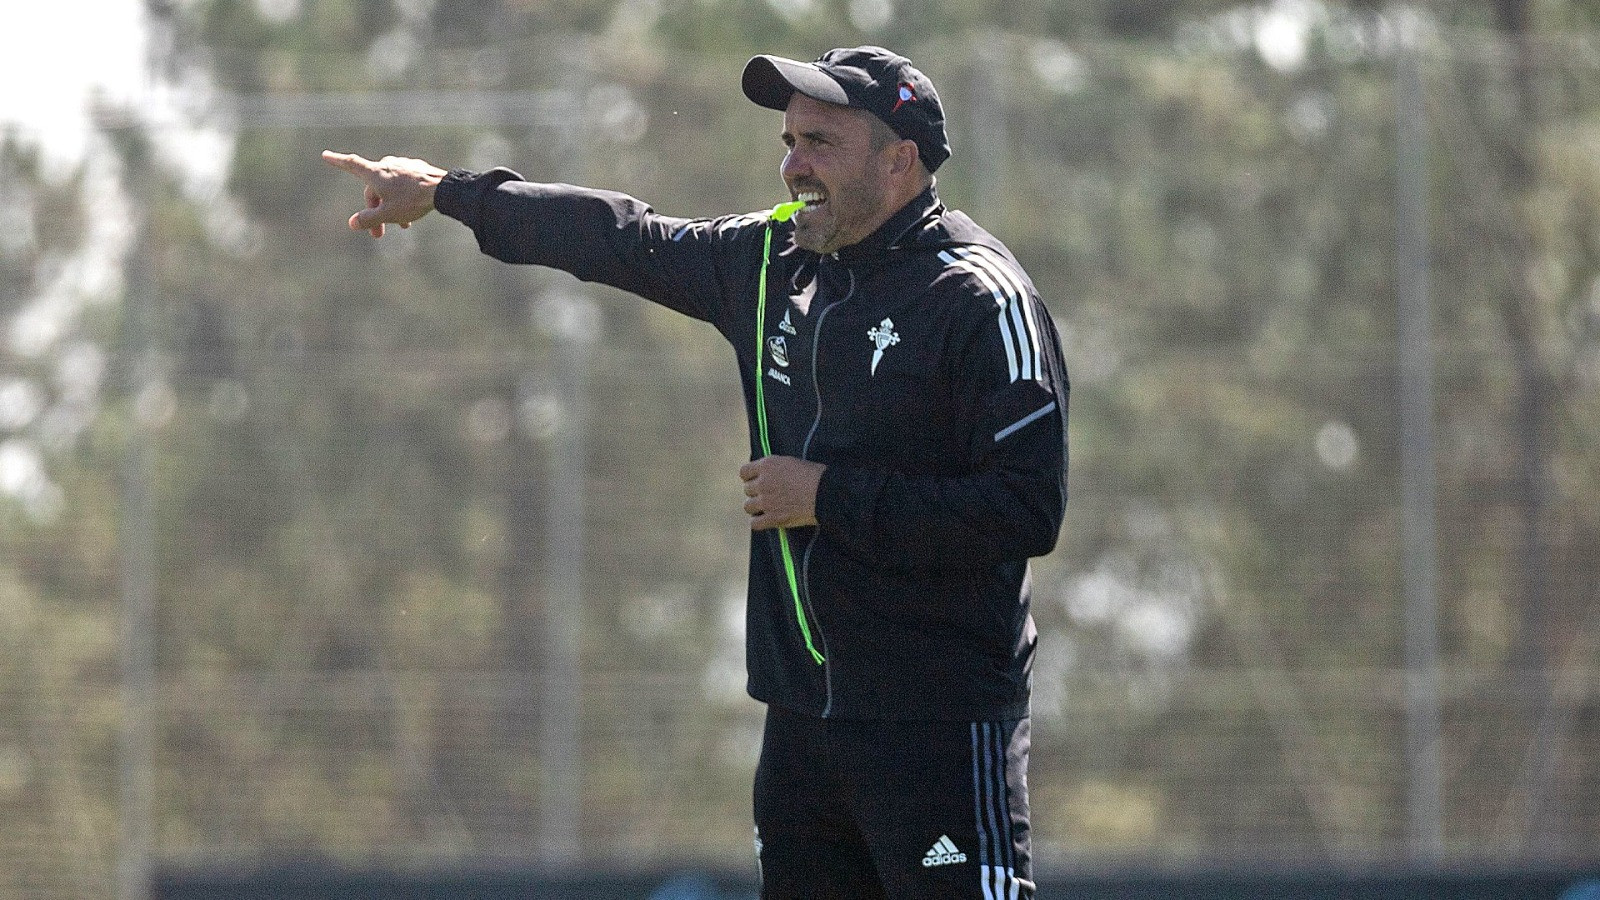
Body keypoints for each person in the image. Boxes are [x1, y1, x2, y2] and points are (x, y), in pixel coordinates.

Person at [323, 45, 1068, 900]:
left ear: (899, 160)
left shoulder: (980, 298)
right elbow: (620, 237)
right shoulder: (767, 261)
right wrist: (451, 193)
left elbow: (1026, 509)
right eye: (789, 142)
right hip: (802, 725)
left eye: (821, 143)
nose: (793, 166)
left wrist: (824, 496)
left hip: (935, 722)